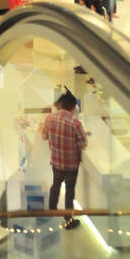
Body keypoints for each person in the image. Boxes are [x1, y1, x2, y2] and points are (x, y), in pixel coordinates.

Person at [40, 92, 87, 229]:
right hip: (71, 164)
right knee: (69, 191)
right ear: (74, 108)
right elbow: (83, 143)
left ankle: (52, 212)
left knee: (55, 186)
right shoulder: (75, 123)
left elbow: (44, 136)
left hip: (56, 162)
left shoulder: (50, 119)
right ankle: (68, 220)